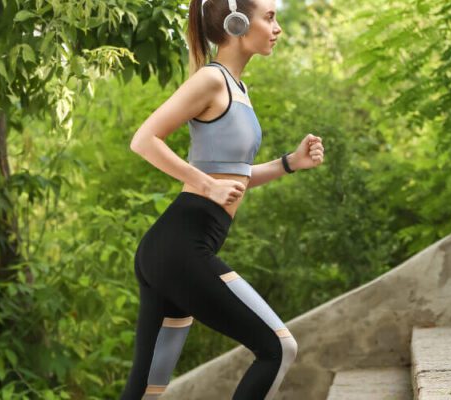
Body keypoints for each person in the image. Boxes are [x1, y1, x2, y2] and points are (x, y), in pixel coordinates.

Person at [121, 0, 324, 398]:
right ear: (236, 23)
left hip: (173, 249)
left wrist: (289, 164)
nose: (277, 27)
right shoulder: (211, 80)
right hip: (182, 245)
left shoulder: (237, 88)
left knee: (146, 390)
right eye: (269, 17)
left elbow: (233, 175)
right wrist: (206, 184)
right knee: (278, 347)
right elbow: (144, 140)